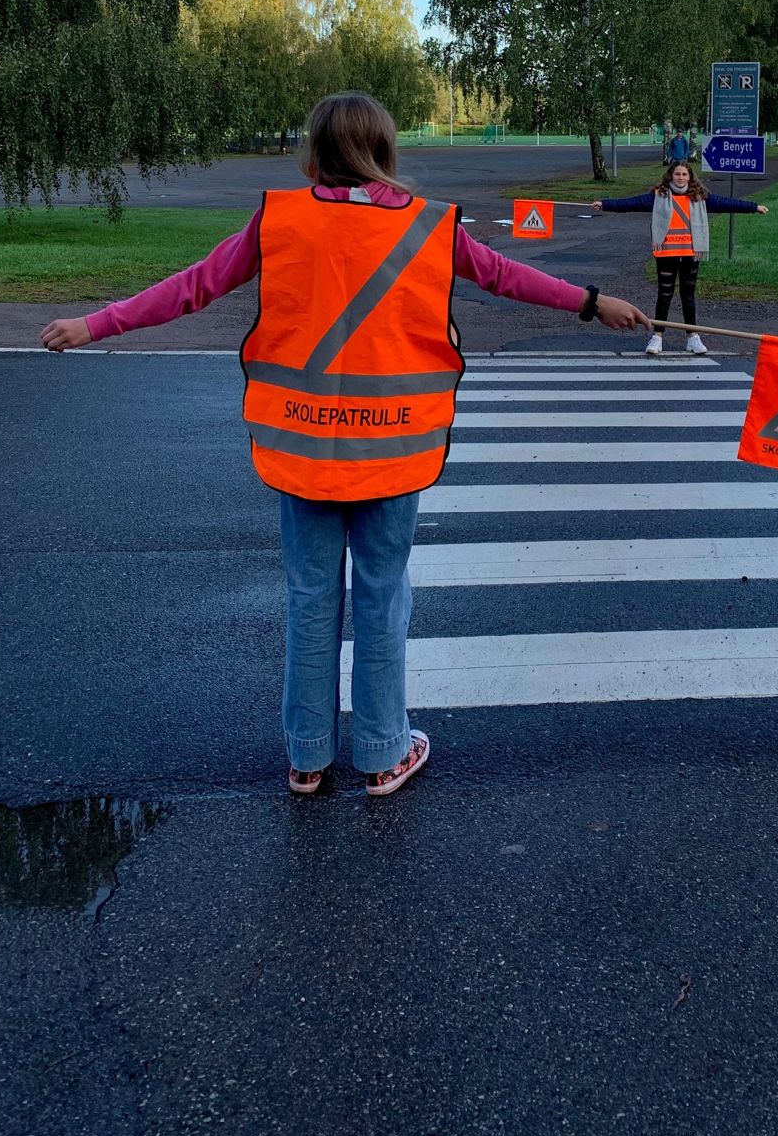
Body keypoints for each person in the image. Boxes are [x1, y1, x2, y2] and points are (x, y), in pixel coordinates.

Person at [39, 92, 648, 799]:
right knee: (383, 595)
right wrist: (591, 301)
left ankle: (306, 758)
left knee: (309, 596)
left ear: (315, 154)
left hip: (303, 446)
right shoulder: (429, 225)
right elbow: (506, 276)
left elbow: (195, 286)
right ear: (384, 150)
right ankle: (385, 753)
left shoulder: (280, 219)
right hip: (394, 447)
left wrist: (95, 324)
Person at [590, 158, 767, 355]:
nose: (681, 178)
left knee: (688, 296)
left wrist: (754, 207)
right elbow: (631, 203)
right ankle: (657, 336)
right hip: (667, 253)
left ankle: (693, 337)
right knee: (664, 295)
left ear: (690, 176)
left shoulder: (700, 197)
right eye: (677, 174)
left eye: (684, 174)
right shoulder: (658, 196)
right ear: (670, 176)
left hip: (690, 253)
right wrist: (605, 204)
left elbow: (727, 203)